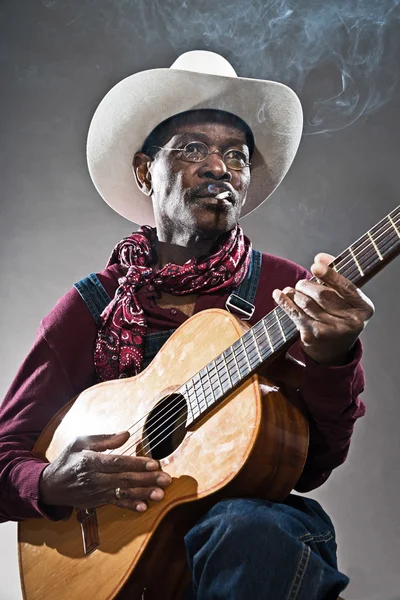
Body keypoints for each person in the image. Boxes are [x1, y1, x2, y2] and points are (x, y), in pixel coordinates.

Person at [0, 51, 374, 599]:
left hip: (248, 547)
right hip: (127, 566)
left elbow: (311, 465)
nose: (219, 167)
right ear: (144, 171)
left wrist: (330, 358)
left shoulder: (289, 292)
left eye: (237, 155)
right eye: (193, 148)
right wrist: (54, 482)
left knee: (253, 528)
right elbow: (5, 454)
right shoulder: (90, 308)